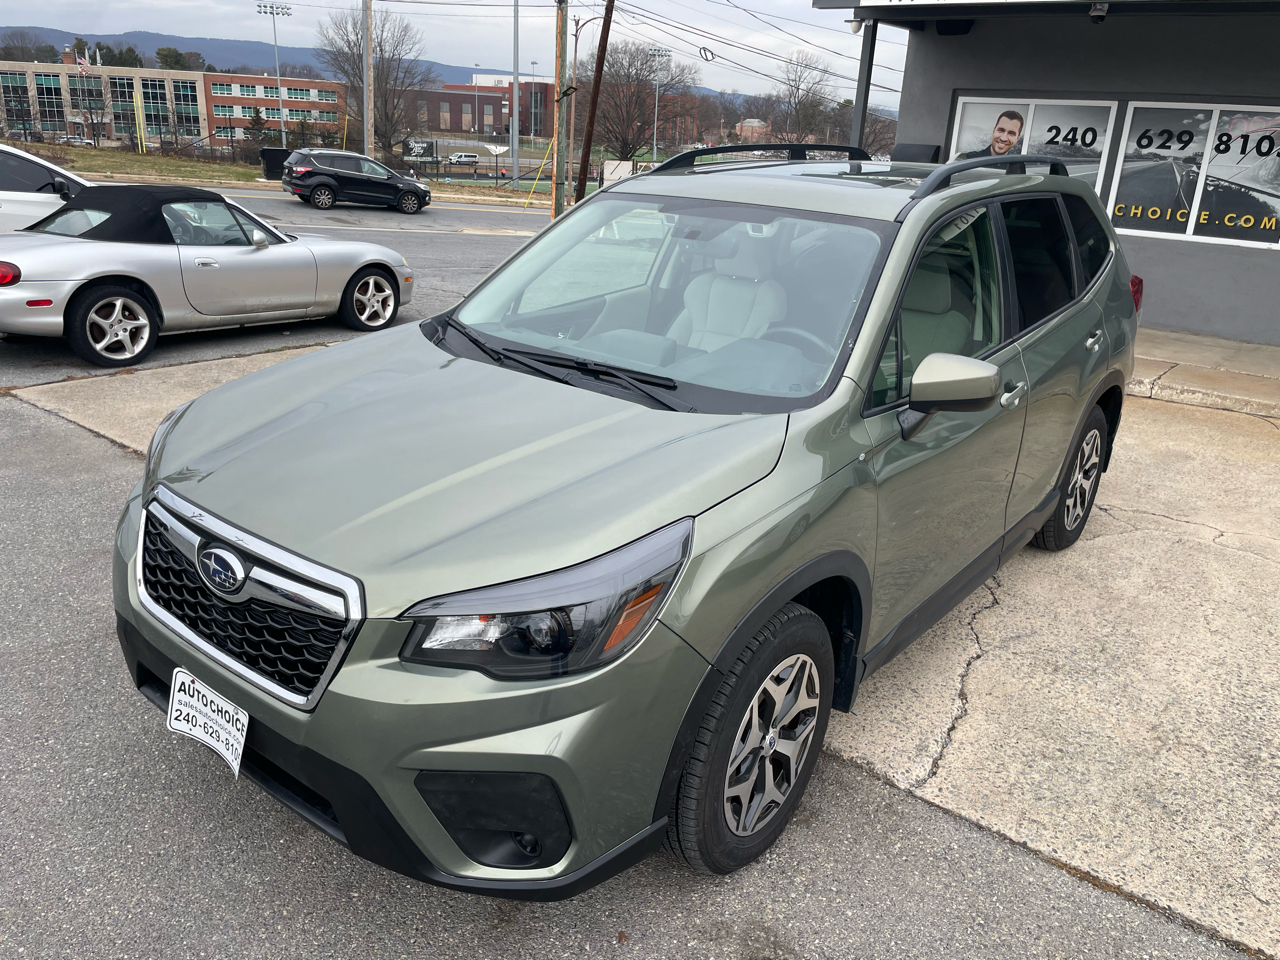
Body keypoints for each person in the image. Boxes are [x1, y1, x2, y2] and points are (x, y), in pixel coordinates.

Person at [956, 110, 1024, 160]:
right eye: (1001, 130)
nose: (1003, 138)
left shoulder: (1017, 168)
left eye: (1011, 133)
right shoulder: (967, 159)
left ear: (1017, 138)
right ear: (994, 130)